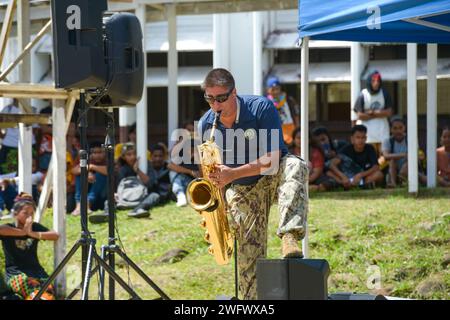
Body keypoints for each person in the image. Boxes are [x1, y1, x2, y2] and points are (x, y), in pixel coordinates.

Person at [197, 68, 308, 300]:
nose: (215, 105)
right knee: (249, 262)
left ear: (234, 92)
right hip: (243, 189)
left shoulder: (261, 108)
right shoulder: (206, 125)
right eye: (209, 99)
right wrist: (218, 202)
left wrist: (232, 174)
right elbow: (210, 169)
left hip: (272, 174)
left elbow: (273, 157)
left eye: (221, 98)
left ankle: (289, 235)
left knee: (296, 165)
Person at [0, 193, 59, 300]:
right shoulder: (9, 227)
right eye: (25, 213)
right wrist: (23, 232)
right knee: (35, 291)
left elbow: (55, 235)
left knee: (49, 290)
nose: (29, 216)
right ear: (16, 213)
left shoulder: (35, 227)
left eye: (32, 213)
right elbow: (1, 229)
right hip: (15, 274)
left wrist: (32, 234)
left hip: (37, 272)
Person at [353, 71, 392, 157]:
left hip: (382, 132)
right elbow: (360, 115)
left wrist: (371, 113)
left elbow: (388, 112)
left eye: (378, 81)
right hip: (367, 133)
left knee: (383, 156)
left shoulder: (384, 94)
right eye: (373, 81)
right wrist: (380, 113)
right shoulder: (363, 94)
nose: (376, 83)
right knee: (369, 155)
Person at [71, 141, 107, 216]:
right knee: (80, 176)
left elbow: (109, 171)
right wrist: (86, 173)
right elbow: (74, 170)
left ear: (104, 153)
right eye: (94, 153)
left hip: (102, 197)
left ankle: (87, 205)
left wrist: (91, 167)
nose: (97, 155)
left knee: (100, 176)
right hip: (87, 193)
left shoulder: (108, 160)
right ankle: (78, 206)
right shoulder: (87, 160)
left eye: (100, 152)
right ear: (90, 154)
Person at [265, 76, 299, 145]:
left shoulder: (288, 99)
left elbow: (296, 114)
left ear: (280, 88)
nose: (275, 92)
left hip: (290, 129)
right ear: (268, 90)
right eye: (273, 89)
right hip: (275, 130)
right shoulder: (266, 102)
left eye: (277, 89)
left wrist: (298, 128)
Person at [168, 135, 200, 207]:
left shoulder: (199, 158)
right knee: (174, 174)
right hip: (182, 183)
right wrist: (190, 172)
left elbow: (202, 174)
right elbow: (170, 166)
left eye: (193, 149)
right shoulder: (181, 155)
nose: (190, 152)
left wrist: (197, 158)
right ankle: (181, 196)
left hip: (195, 184)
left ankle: (186, 197)